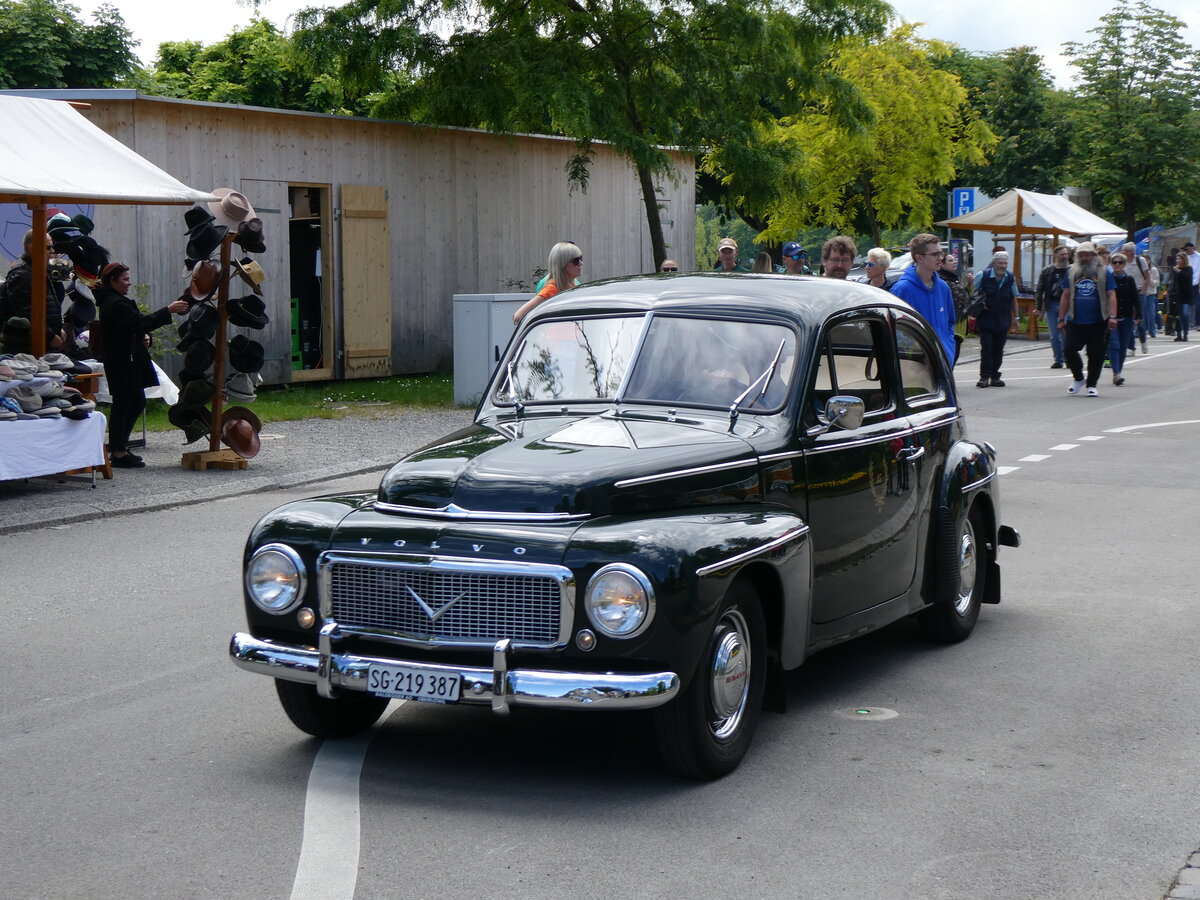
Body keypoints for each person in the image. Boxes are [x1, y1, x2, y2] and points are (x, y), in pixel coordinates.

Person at [96, 262, 190, 467]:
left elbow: (132, 326)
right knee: (123, 404)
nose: (129, 283)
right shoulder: (114, 303)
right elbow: (136, 323)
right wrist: (168, 310)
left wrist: (144, 337)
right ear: (112, 281)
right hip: (121, 361)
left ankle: (120, 447)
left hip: (127, 358)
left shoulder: (115, 301)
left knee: (135, 401)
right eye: (125, 279)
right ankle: (118, 451)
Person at [1059, 241, 1117, 397]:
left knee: (1096, 354)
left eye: (1087, 254)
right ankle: (1078, 378)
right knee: (1069, 350)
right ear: (1077, 257)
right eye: (1081, 255)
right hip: (1075, 319)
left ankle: (1092, 385)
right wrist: (1061, 318)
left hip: (1098, 320)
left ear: (1093, 255)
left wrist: (1112, 316)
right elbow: (1065, 295)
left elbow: (1111, 294)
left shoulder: (1104, 272)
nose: (1084, 258)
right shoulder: (1071, 271)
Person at [890, 233, 956, 364]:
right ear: (919, 258)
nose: (940, 258)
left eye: (941, 253)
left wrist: (949, 350)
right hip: (914, 365)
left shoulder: (943, 288)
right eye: (935, 254)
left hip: (943, 363)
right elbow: (894, 329)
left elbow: (950, 323)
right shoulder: (902, 290)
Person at [0, 229, 66, 354]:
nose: (52, 251)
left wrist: (57, 329)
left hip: (42, 345)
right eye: (48, 247)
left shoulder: (35, 271)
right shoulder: (22, 275)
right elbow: (24, 313)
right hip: (29, 348)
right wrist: (50, 336)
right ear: (32, 248)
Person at [972, 250, 1017, 387]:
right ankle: (984, 377)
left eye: (1005, 263)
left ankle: (995, 376)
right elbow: (972, 293)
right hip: (986, 318)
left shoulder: (1010, 277)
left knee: (999, 348)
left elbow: (1014, 298)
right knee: (987, 347)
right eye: (1000, 263)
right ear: (994, 263)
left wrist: (1016, 317)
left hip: (1003, 318)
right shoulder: (983, 275)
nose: (1003, 266)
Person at [514, 242, 583, 324]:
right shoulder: (552, 288)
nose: (581, 263)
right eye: (575, 261)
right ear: (562, 264)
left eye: (581, 259)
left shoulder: (575, 285)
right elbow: (518, 317)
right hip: (557, 336)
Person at [1107, 252, 1141, 384]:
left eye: (1120, 262)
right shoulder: (1108, 279)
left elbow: (1135, 298)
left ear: (1124, 264)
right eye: (1114, 262)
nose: (1117, 265)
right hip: (1112, 317)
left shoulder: (1129, 279)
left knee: (1123, 346)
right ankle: (1116, 373)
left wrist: (1138, 314)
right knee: (1114, 344)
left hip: (1126, 317)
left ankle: (1118, 371)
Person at [1036, 245, 1071, 369]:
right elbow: (1039, 289)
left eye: (1066, 254)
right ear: (1055, 255)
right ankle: (1058, 359)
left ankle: (1068, 358)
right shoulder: (1047, 270)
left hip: (1068, 306)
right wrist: (1039, 307)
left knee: (1066, 332)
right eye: (1062, 254)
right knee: (1054, 335)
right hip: (1052, 304)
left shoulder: (1072, 270)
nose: (1065, 256)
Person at [1121, 242, 1153, 352]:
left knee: (1140, 320)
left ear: (1130, 252)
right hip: (1127, 293)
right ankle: (1131, 347)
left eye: (1124, 250)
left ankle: (1143, 341)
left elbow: (1147, 278)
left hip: (1139, 292)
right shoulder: (1122, 262)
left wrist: (1143, 291)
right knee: (1129, 319)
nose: (1122, 252)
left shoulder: (1140, 261)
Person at [1170, 251, 1192, 342]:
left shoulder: (1188, 269)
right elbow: (1174, 282)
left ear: (1184, 259)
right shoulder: (1175, 269)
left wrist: (1179, 271)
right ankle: (1179, 334)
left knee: (1185, 314)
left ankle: (1185, 333)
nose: (1177, 260)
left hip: (1186, 296)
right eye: (1177, 259)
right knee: (1178, 315)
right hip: (1177, 296)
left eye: (1179, 258)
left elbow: (1187, 278)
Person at [1186, 241, 1200, 328]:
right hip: (1188, 283)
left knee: (1197, 303)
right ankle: (1190, 322)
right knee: (1189, 303)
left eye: (1188, 249)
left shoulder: (1198, 256)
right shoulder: (1186, 258)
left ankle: (1198, 323)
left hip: (1197, 282)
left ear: (1192, 248)